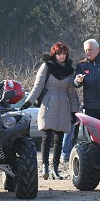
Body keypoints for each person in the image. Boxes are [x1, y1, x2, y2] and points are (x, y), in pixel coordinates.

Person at [21, 42, 80, 180]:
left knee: (59, 138)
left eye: (64, 53)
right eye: (59, 53)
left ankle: (55, 169)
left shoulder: (69, 70)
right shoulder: (47, 66)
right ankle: (45, 166)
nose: (62, 56)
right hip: (49, 103)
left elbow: (72, 93)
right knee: (47, 135)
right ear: (54, 53)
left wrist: (74, 111)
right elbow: (38, 86)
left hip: (64, 104)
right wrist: (28, 102)